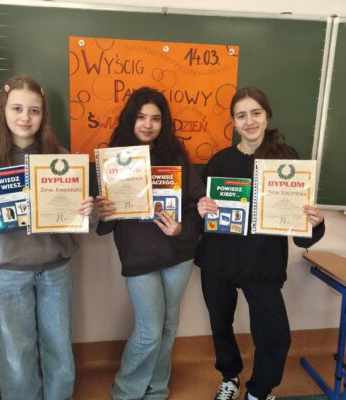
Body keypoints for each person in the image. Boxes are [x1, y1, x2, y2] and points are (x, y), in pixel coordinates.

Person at [0, 76, 94, 400]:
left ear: (43, 114)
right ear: (4, 111)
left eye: (34, 110)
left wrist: (88, 212)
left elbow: (84, 220)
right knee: (15, 357)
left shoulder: (62, 159)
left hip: (55, 270)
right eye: (17, 108)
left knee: (58, 350)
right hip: (6, 274)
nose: (25, 117)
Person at [195, 86, 325, 400]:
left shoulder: (287, 160)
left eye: (256, 113)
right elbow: (201, 214)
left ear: (267, 115)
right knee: (220, 324)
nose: (249, 121)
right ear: (233, 122)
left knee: (275, 336)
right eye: (241, 115)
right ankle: (229, 377)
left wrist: (313, 223)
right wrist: (202, 209)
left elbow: (299, 227)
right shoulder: (220, 161)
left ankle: (258, 391)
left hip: (263, 261)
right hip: (218, 261)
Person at [96, 87, 205, 400]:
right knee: (149, 332)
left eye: (155, 118)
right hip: (138, 257)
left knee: (168, 327)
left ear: (163, 123)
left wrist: (181, 229)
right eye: (141, 117)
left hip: (178, 255)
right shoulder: (113, 160)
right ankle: (125, 392)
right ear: (131, 119)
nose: (147, 124)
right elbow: (105, 225)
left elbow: (197, 208)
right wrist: (104, 212)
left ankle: (156, 390)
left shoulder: (177, 159)